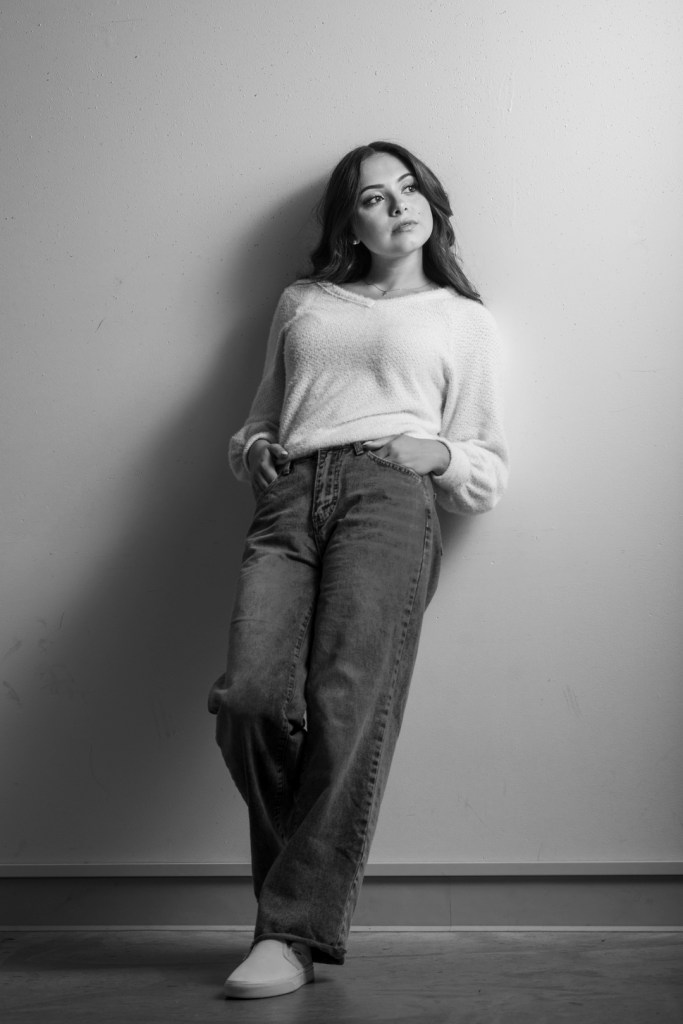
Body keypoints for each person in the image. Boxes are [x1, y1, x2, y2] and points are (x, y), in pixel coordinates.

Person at [208, 140, 509, 999]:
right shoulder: (304, 301)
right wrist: (255, 451)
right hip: (291, 496)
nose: (396, 205)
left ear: (433, 204)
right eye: (373, 197)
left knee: (347, 707)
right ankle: (294, 916)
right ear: (349, 221)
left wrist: (438, 450)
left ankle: (287, 934)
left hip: (388, 496)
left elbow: (486, 467)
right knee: (251, 703)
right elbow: (257, 417)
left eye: (409, 188)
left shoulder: (461, 318)